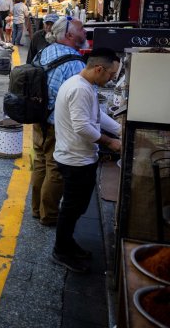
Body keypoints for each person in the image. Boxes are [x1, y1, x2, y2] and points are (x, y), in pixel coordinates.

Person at [51, 48, 121, 273]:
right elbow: (82, 127)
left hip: (79, 156)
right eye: (111, 74)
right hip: (75, 159)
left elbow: (97, 117)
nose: (111, 80)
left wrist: (121, 129)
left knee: (77, 205)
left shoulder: (83, 85)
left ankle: (68, 243)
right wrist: (110, 142)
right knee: (72, 208)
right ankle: (61, 250)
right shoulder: (80, 89)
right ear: (99, 69)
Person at [31, 17, 87, 226]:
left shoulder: (46, 51)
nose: (85, 32)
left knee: (40, 163)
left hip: (39, 118)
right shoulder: (75, 63)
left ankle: (37, 209)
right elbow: (77, 99)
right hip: (58, 124)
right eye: (81, 29)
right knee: (55, 168)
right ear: (70, 35)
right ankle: (50, 215)